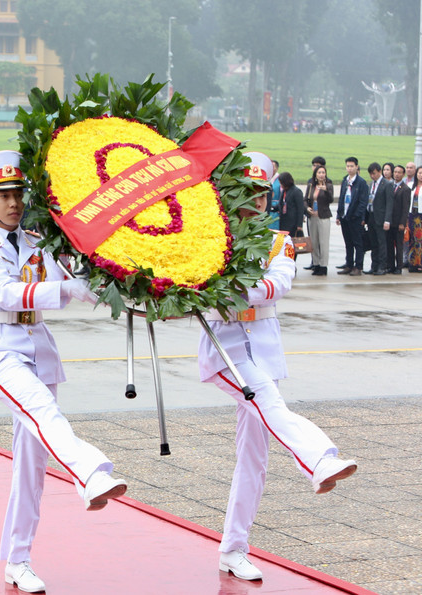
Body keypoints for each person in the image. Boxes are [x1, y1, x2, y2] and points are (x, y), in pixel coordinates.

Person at [0, 150, 126, 593]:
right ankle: (90, 473)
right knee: (43, 411)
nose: (14, 203)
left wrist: (105, 277)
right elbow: (4, 293)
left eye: (18, 193)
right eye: (3, 195)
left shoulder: (39, 242)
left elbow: (73, 279)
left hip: (40, 350)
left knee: (31, 465)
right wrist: (66, 288)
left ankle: (18, 560)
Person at [200, 152, 356, 581]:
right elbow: (201, 291)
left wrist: (232, 288)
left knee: (254, 458)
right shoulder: (210, 241)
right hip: (226, 350)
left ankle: (233, 548)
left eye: (261, 193)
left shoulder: (277, 242)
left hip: (263, 353)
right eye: (247, 192)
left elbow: (278, 284)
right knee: (269, 403)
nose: (256, 201)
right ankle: (319, 459)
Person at [336, 157, 368, 276]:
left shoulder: (361, 183)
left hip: (355, 218)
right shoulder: (345, 180)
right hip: (344, 217)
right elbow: (341, 198)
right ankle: (348, 265)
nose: (349, 168)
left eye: (352, 166)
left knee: (357, 243)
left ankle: (358, 266)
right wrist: (339, 215)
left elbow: (363, 202)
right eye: (348, 166)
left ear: (356, 167)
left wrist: (357, 215)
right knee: (348, 242)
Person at [365, 162, 394, 275]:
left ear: (379, 172)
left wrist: (387, 220)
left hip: (381, 218)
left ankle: (382, 266)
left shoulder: (386, 184)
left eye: (374, 173)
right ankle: (374, 266)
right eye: (371, 174)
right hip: (371, 217)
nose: (372, 176)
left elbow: (389, 203)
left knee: (382, 243)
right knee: (373, 243)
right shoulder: (371, 184)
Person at [304, 165, 333, 276]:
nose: (321, 175)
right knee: (314, 242)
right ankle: (316, 264)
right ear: (315, 174)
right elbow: (305, 199)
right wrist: (307, 208)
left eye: (323, 172)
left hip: (323, 217)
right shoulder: (311, 185)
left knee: (323, 242)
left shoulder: (328, 185)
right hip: (313, 217)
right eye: (319, 172)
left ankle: (323, 266)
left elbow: (330, 200)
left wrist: (326, 191)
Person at [388, 165, 410, 275]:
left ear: (403, 174)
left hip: (398, 222)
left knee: (399, 246)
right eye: (395, 172)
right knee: (389, 245)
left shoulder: (405, 189)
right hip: (390, 221)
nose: (396, 174)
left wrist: (402, 223)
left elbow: (405, 208)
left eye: (399, 172)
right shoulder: (390, 186)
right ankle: (391, 266)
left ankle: (399, 266)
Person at [277, 172, 304, 239]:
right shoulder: (284, 191)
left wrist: (299, 225)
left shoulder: (296, 191)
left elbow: (300, 209)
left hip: (293, 223)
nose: (281, 185)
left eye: (281, 183)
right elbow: (281, 204)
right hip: (284, 221)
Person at [407, 166, 422, 272]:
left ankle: (420, 263)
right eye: (419, 173)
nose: (421, 175)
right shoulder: (411, 186)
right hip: (412, 215)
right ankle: (412, 263)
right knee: (412, 239)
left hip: (421, 216)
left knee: (420, 240)